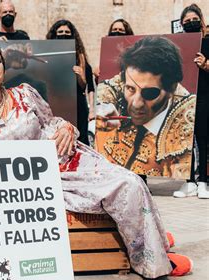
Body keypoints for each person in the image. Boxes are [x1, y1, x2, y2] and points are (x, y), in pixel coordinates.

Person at [0, 39, 192, 279]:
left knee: (130, 180)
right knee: (128, 186)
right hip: (35, 186)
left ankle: (153, 240)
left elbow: (52, 120)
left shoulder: (25, 94)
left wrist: (66, 127)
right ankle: (154, 263)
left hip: (70, 161)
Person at [95, 36, 196, 178]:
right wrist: (103, 105)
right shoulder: (127, 80)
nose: (136, 103)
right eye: (130, 89)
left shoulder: (185, 117)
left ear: (171, 88)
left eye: (149, 93)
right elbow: (109, 87)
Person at [173, 3, 209, 198]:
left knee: (202, 139)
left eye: (195, 20)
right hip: (184, 97)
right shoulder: (178, 45)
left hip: (204, 96)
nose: (191, 23)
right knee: (184, 140)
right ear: (181, 24)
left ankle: (203, 180)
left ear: (201, 21)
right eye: (187, 21)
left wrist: (206, 64)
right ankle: (189, 182)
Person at [47, 19, 90, 145]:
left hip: (77, 103)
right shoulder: (49, 54)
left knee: (79, 140)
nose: (64, 34)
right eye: (60, 32)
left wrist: (80, 76)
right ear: (55, 35)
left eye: (67, 32)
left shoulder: (79, 55)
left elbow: (83, 86)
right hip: (57, 101)